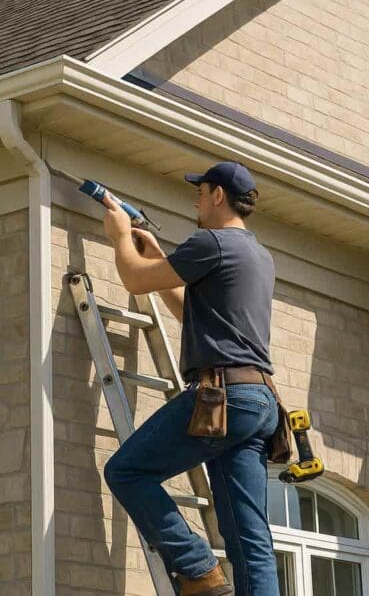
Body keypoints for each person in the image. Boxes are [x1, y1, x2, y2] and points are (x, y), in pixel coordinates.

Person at [100, 161, 279, 596]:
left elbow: (132, 279)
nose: (195, 201)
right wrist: (163, 259)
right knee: (248, 537)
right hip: (259, 401)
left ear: (218, 196)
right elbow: (193, 314)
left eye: (200, 193)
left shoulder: (212, 242)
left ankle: (198, 570)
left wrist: (120, 236)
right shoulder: (258, 254)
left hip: (224, 398)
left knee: (126, 470)